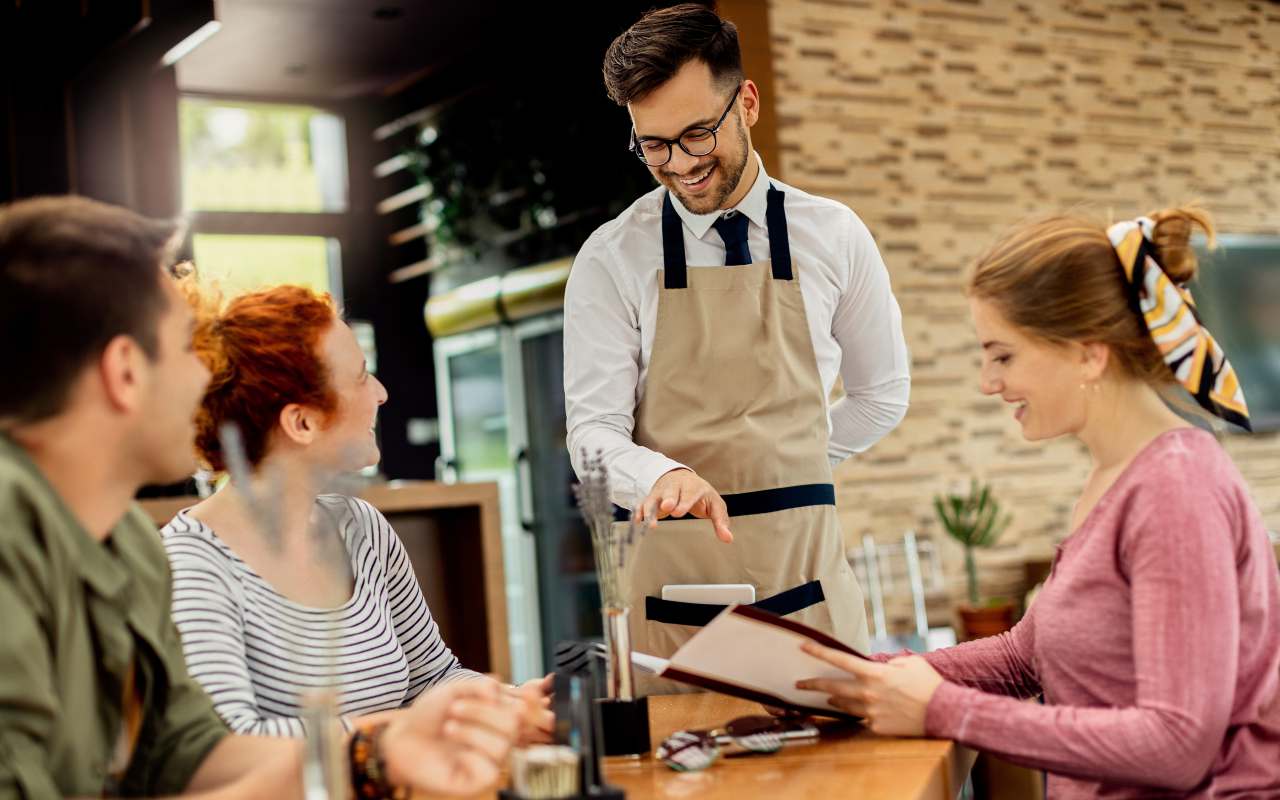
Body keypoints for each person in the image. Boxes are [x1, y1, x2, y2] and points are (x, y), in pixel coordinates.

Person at [0, 196, 521, 798]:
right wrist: (374, 754)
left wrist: (376, 751)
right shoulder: (15, 534)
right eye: (182, 352)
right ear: (124, 373)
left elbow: (190, 755)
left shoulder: (128, 546)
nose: (205, 381)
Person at [798, 207, 1280, 797]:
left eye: (1004, 355)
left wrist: (943, 709)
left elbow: (1177, 745)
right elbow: (1026, 657)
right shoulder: (1117, 475)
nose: (988, 382)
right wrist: (857, 681)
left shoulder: (1175, 489)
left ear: (1087, 353)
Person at [563, 3, 909, 660]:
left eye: (697, 134)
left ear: (746, 103)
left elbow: (881, 395)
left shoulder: (834, 236)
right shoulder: (612, 258)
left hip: (807, 586)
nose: (680, 164)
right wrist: (661, 476)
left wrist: (790, 464)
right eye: (653, 145)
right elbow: (592, 436)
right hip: (674, 608)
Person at [160, 282, 552, 743]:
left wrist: (510, 701)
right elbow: (230, 746)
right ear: (301, 422)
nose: (382, 394)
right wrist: (408, 733)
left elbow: (432, 679)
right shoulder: (190, 565)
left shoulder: (363, 528)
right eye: (362, 377)